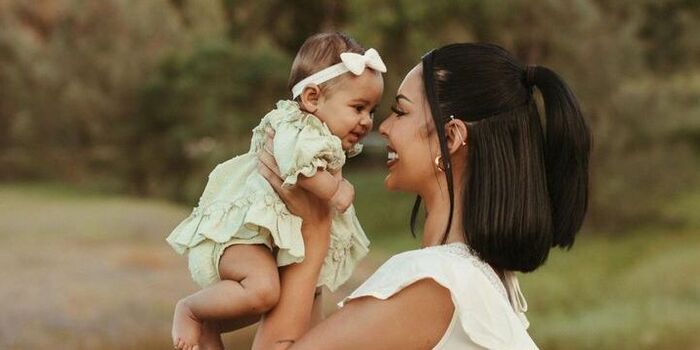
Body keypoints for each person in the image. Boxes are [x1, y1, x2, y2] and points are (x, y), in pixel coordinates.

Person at [256, 42, 591, 349]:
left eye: (400, 112)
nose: (382, 127)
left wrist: (313, 229)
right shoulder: (482, 283)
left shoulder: (433, 283)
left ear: (452, 136)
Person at [165, 32, 385, 350]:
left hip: (261, 238)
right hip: (240, 234)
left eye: (372, 111)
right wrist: (335, 189)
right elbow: (295, 164)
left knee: (278, 297)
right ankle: (192, 311)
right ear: (311, 99)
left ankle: (211, 323)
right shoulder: (296, 128)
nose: (367, 121)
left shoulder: (318, 134)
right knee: (264, 291)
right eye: (358, 107)